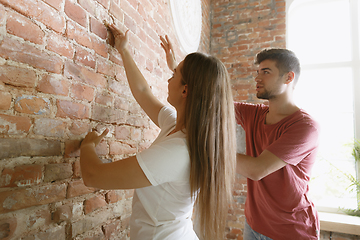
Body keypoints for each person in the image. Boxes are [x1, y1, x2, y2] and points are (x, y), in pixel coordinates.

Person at [80, 23, 236, 240]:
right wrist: (124, 49)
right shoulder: (177, 128)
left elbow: (93, 175)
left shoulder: (178, 152)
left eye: (175, 73)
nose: (168, 78)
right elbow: (143, 92)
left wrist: (87, 145)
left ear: (185, 90)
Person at [161, 40, 320, 239]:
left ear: (289, 77)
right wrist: (179, 72)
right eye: (258, 71)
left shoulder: (305, 127)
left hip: (291, 231)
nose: (258, 78)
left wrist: (202, 145)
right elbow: (211, 97)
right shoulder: (254, 114)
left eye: (266, 72)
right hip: (254, 224)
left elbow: (257, 169)